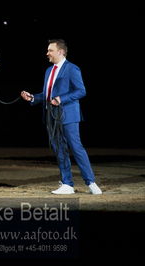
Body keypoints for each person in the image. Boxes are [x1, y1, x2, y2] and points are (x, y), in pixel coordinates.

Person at [21, 39, 102, 195]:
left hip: (68, 115)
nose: (47, 53)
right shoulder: (48, 71)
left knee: (76, 148)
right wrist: (32, 98)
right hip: (51, 117)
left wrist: (61, 99)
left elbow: (81, 91)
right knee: (59, 150)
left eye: (50, 50)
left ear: (60, 51)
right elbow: (47, 95)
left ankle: (91, 182)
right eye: (47, 50)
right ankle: (67, 184)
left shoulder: (72, 69)